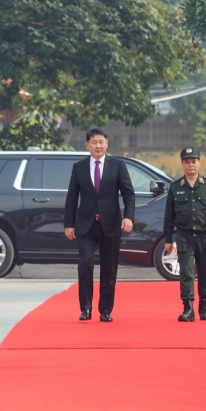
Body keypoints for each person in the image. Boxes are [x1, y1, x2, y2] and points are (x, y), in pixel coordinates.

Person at [64, 127, 134, 322]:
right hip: (86, 225)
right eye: (94, 142)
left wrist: (129, 217)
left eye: (101, 142)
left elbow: (128, 193)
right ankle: (85, 308)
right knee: (85, 263)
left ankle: (105, 310)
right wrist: (69, 224)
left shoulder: (117, 165)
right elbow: (72, 197)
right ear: (87, 145)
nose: (98, 146)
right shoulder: (79, 167)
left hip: (110, 224)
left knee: (109, 268)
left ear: (107, 144)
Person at [163, 147, 206, 322]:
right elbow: (169, 216)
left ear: (199, 163)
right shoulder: (175, 187)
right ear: (182, 164)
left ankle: (204, 305)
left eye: (194, 161)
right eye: (187, 162)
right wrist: (168, 239)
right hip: (184, 235)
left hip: (205, 235)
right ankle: (188, 307)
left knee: (205, 272)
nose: (191, 165)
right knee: (187, 273)